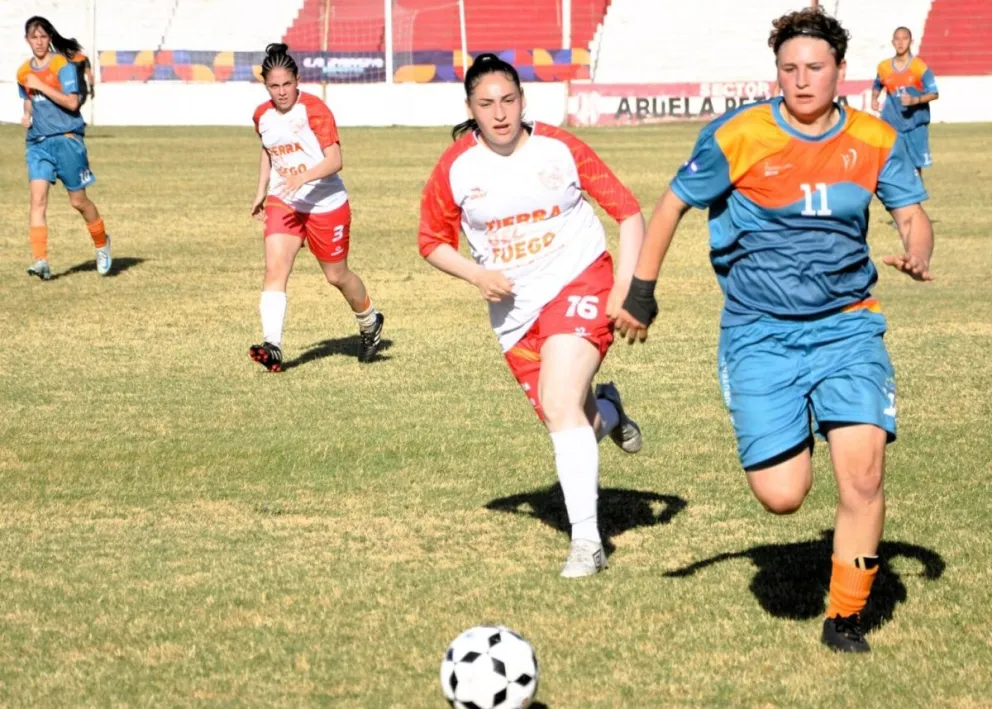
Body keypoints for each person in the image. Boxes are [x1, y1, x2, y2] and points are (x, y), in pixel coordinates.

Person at [616, 8, 934, 651]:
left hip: (848, 328)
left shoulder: (874, 138)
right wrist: (641, 294)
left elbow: (912, 214)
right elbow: (674, 201)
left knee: (865, 475)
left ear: (840, 71)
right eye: (789, 68)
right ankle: (801, 424)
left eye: (815, 67)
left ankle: (845, 618)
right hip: (760, 331)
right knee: (783, 495)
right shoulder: (739, 134)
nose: (802, 79)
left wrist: (916, 248)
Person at [418, 54, 646, 578]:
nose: (499, 114)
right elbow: (430, 241)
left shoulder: (560, 148)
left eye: (508, 100)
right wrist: (476, 275)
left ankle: (587, 544)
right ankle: (609, 411)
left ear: (523, 100)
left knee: (560, 403)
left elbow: (628, 212)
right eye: (485, 104)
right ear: (470, 109)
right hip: (514, 313)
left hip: (580, 281)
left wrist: (627, 289)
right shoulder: (457, 166)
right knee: (575, 421)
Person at [249, 43, 384, 369]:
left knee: (336, 276)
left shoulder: (315, 110)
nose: (281, 92)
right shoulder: (261, 115)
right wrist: (261, 190)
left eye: (287, 84)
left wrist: (303, 177)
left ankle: (370, 323)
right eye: (274, 86)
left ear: (297, 80)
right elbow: (269, 150)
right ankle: (273, 345)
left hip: (326, 204)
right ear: (265, 86)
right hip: (285, 203)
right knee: (275, 269)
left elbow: (335, 160)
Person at [17, 16, 110, 281]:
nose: (39, 42)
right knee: (37, 200)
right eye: (34, 37)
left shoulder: (64, 66)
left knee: (78, 202)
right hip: (38, 143)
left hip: (67, 139)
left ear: (49, 38)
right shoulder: (23, 71)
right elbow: (28, 100)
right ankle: (41, 260)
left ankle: (102, 243)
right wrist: (27, 116)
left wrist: (42, 85)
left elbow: (72, 104)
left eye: (43, 37)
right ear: (27, 40)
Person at [872, 27, 938, 178]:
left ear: (911, 41)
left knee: (915, 168)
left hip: (914, 125)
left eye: (905, 38)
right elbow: (877, 84)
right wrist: (874, 98)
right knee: (892, 165)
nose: (901, 42)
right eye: (897, 39)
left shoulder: (919, 67)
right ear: (893, 42)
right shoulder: (884, 67)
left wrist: (916, 100)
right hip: (891, 124)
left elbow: (934, 93)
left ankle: (915, 198)